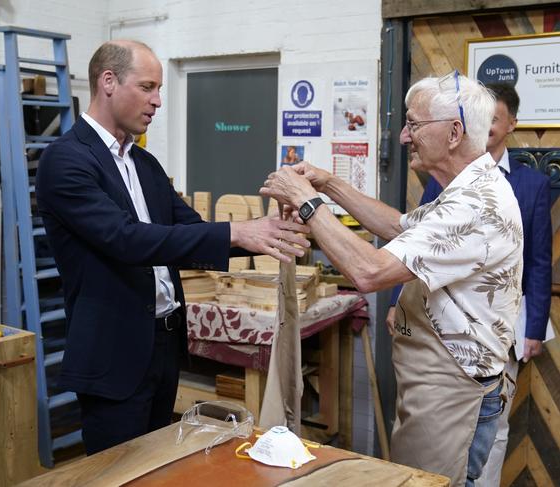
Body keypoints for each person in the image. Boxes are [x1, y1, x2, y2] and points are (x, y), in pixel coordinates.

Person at [35, 40, 310, 455]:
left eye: (159, 89)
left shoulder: (144, 164)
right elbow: (125, 239)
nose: (157, 101)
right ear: (108, 82)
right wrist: (239, 233)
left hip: (162, 344)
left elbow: (192, 231)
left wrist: (266, 231)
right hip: (114, 351)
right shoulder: (66, 161)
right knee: (119, 475)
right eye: (147, 87)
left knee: (157, 467)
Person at [261, 72, 522, 487]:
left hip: (452, 394)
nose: (404, 136)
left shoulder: (476, 204)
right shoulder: (466, 188)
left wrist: (307, 203)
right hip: (439, 385)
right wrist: (329, 184)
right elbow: (399, 227)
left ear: (454, 132)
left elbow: (370, 271)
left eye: (414, 125)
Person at [386, 83, 551, 487]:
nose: (406, 135)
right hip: (441, 346)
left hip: (484, 341)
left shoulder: (521, 187)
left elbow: (540, 262)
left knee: (485, 441)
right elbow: (413, 240)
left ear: (510, 124)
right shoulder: (449, 182)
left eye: (415, 125)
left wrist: (533, 328)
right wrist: (396, 300)